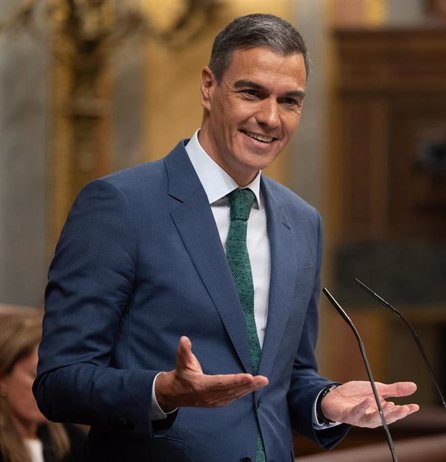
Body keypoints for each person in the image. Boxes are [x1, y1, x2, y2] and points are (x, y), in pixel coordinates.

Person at [34, 13, 418, 462]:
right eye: (251, 92)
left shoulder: (303, 221)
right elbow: (59, 381)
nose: (270, 118)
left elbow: (284, 377)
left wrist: (325, 401)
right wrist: (162, 390)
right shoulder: (119, 205)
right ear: (208, 87)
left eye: (289, 101)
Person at [0, 311, 85, 462]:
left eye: (51, 377)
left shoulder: (73, 439)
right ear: (3, 379)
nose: (47, 389)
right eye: (35, 376)